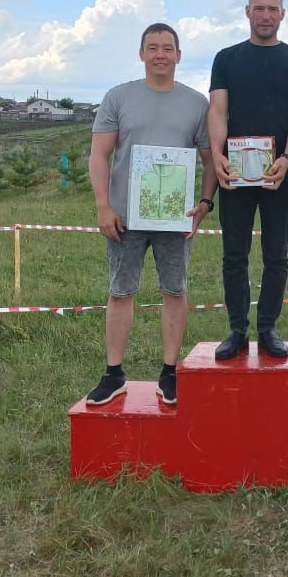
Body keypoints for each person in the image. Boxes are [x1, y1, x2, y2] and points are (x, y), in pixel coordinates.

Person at [86, 23, 217, 407]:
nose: (160, 54)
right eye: (153, 47)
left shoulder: (196, 104)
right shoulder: (118, 98)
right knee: (120, 291)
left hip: (174, 218)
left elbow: (209, 159)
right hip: (125, 218)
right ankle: (113, 374)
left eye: (168, 48)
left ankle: (169, 371)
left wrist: (205, 203)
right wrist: (103, 205)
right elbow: (99, 155)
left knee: (174, 291)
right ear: (141, 53)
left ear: (179, 55)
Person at [208, 0, 288, 359]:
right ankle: (237, 330)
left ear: (282, 14)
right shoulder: (226, 58)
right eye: (259, 8)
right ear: (247, 12)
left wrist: (287, 157)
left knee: (275, 254)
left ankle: (268, 327)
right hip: (234, 173)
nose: (266, 15)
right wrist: (218, 154)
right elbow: (218, 110)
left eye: (273, 8)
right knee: (233, 255)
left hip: (277, 173)